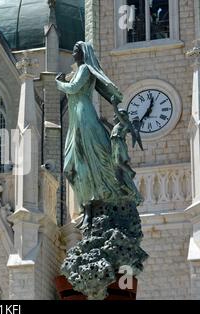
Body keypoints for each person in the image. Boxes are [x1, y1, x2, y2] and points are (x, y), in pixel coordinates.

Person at [56, 41, 141, 228]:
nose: (73, 53)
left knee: (87, 160)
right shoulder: (76, 72)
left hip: (84, 115)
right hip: (75, 118)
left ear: (84, 53)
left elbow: (73, 88)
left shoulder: (85, 69)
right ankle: (86, 207)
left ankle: (93, 206)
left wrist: (59, 83)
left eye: (76, 50)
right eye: (73, 50)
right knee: (70, 168)